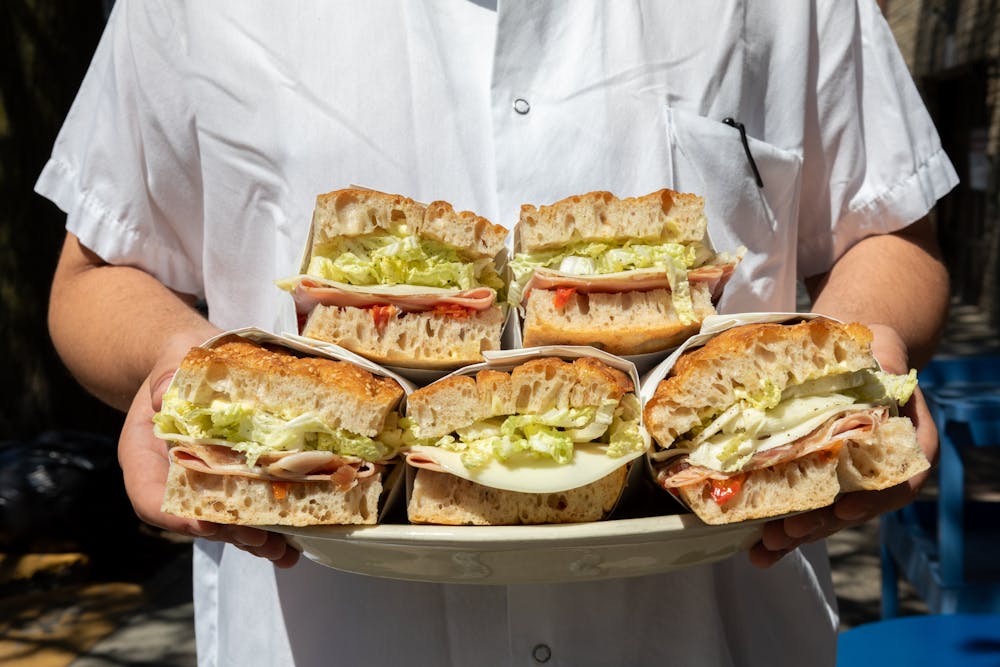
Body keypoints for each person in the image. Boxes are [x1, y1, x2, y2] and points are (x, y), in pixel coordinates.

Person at [41, 1, 954, 665]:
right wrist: (174, 366)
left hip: (714, 631)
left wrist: (857, 368)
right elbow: (94, 277)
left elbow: (892, 234)